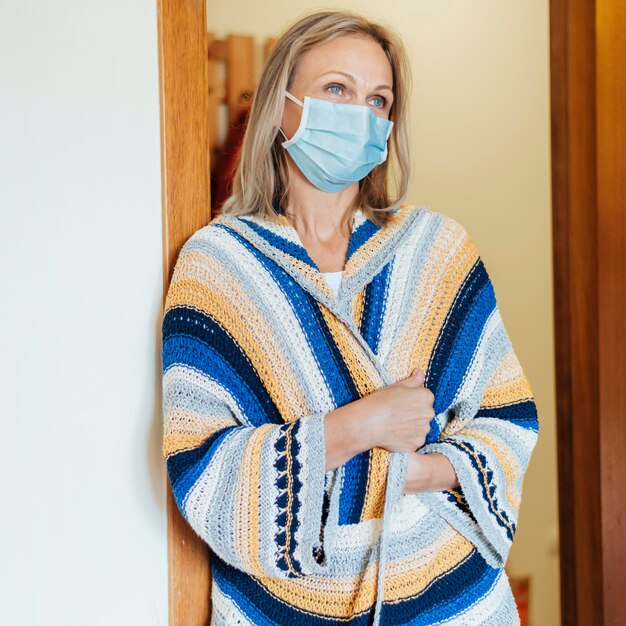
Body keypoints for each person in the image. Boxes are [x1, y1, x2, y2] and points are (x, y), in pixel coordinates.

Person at [162, 9, 539, 625]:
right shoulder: (218, 266)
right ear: (281, 104)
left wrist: (412, 473)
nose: (359, 113)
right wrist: (361, 425)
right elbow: (204, 471)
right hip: (284, 602)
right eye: (336, 89)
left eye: (378, 99)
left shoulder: (437, 250)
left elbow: (507, 424)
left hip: (453, 598)